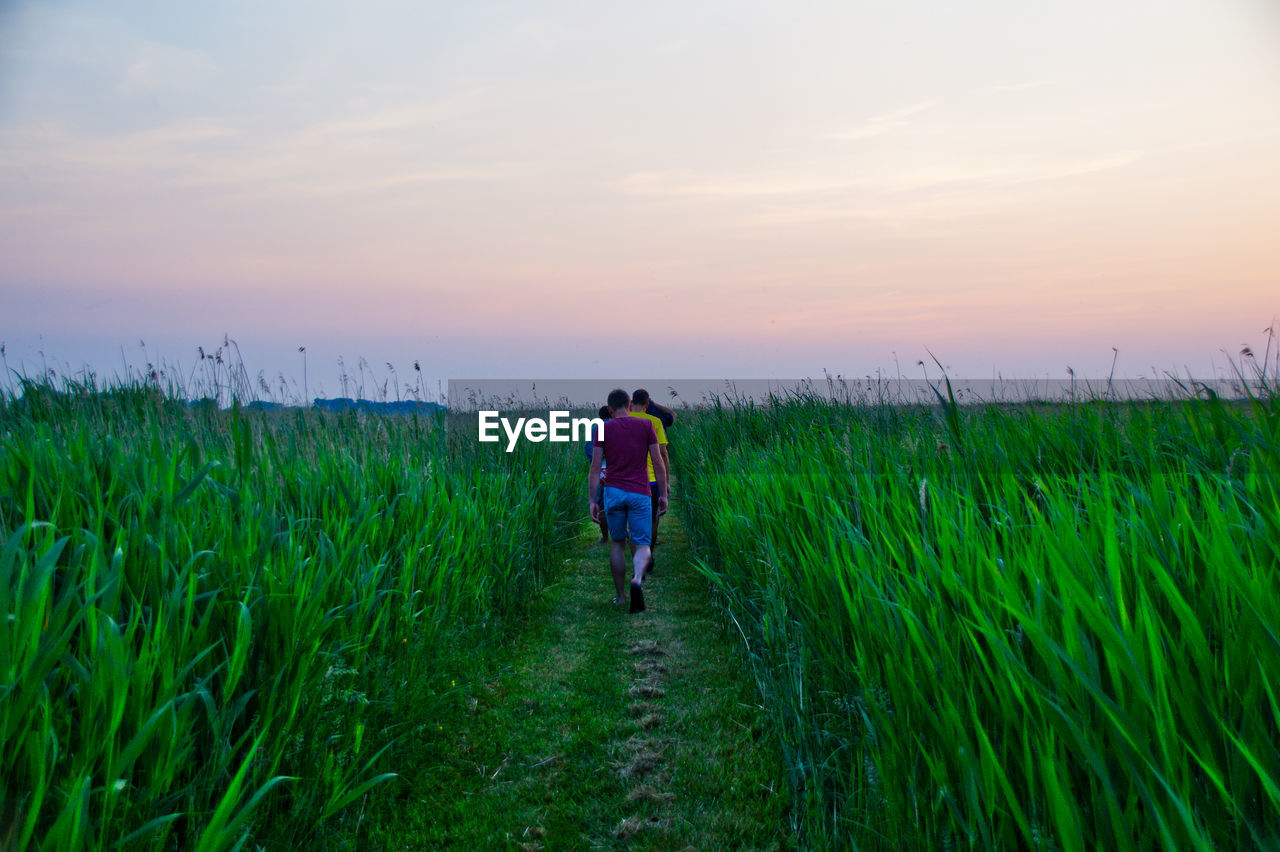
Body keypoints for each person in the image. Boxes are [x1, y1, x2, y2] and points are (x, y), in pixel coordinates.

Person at [589, 388, 668, 613]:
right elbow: (658, 461)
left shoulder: (603, 429)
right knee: (642, 544)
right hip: (640, 492)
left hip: (613, 492)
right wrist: (662, 494)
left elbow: (595, 467)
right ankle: (636, 580)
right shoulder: (645, 426)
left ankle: (621, 597)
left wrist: (593, 500)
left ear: (610, 409)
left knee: (617, 543)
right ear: (630, 404)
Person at [628, 389, 669, 556]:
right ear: (646, 404)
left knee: (633, 523)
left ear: (631, 403)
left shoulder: (621, 421)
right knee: (652, 519)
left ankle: (637, 561)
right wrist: (665, 481)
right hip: (651, 480)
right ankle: (648, 556)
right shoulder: (655, 422)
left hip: (628, 480)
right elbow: (663, 454)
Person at [582, 405, 612, 542]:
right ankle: (624, 533)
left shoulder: (595, 429)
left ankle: (605, 537)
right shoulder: (617, 426)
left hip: (600, 469)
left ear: (599, 417)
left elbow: (588, 449)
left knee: (601, 505)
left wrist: (595, 463)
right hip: (616, 469)